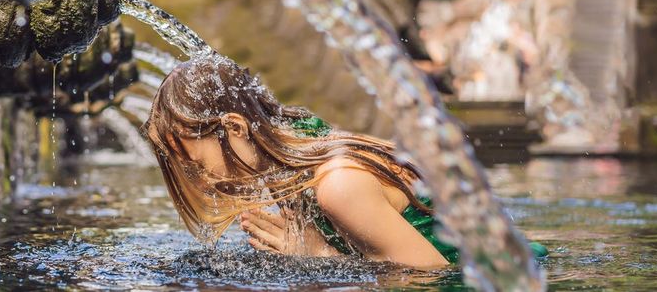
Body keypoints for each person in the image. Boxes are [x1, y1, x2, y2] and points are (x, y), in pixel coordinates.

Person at [141, 58, 546, 269]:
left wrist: (319, 257)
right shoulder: (304, 151)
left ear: (235, 127)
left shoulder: (338, 185)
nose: (199, 180)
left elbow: (431, 279)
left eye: (194, 164)